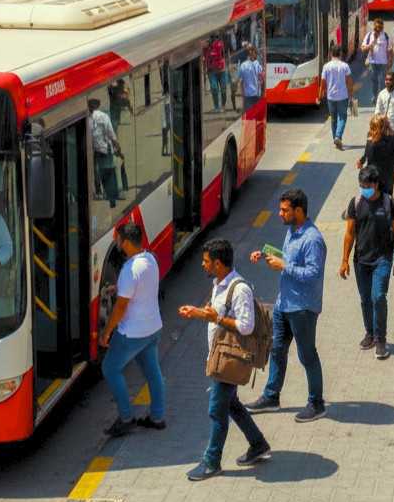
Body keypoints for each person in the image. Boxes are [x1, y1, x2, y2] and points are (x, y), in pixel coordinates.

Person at [179, 239, 271, 481]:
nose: (203, 264)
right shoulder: (218, 283)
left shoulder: (240, 289)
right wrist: (198, 313)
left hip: (230, 361)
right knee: (232, 405)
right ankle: (258, 444)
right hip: (219, 356)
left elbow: (246, 326)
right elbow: (215, 314)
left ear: (218, 263)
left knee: (216, 411)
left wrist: (217, 318)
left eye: (206, 261)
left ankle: (212, 461)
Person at [246, 188, 327, 422]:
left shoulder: (313, 239)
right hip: (284, 304)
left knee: (307, 355)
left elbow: (313, 273)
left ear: (298, 211)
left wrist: (284, 266)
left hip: (302, 307)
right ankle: (271, 396)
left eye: (284, 210)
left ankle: (316, 403)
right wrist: (265, 254)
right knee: (277, 350)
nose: (279, 213)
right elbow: (288, 258)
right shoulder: (292, 231)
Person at [99, 222, 167, 437]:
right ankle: (157, 417)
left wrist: (107, 331)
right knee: (153, 373)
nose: (117, 243)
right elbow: (140, 285)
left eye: (118, 240)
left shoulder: (129, 269)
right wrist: (117, 287)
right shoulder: (150, 259)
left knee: (110, 368)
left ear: (126, 242)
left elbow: (121, 306)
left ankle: (126, 417)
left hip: (132, 333)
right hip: (153, 327)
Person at [339, 165, 394, 359]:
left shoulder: (389, 204)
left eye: (366, 185)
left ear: (376, 184)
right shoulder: (356, 203)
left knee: (378, 297)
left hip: (383, 258)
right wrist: (344, 261)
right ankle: (370, 333)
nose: (363, 189)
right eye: (361, 185)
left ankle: (381, 339)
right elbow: (349, 234)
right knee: (365, 299)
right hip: (361, 260)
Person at [89, 98, 123, 207]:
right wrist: (118, 147)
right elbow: (111, 134)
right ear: (98, 105)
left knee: (96, 171)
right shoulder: (104, 116)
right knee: (108, 172)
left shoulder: (88, 118)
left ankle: (99, 191)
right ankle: (111, 197)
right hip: (105, 149)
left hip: (94, 149)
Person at [318, 43, 353, 150]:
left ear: (330, 54)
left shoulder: (326, 66)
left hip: (331, 97)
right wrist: (351, 95)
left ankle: (335, 139)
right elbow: (349, 82)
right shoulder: (345, 66)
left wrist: (319, 96)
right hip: (343, 96)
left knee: (333, 119)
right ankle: (338, 136)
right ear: (341, 54)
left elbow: (323, 83)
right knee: (342, 117)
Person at [357, 113, 394, 194]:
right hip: (388, 175)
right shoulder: (393, 138)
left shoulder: (371, 140)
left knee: (372, 199)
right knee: (387, 198)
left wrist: (361, 161)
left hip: (373, 176)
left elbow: (367, 155)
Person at [362, 18, 390, 104]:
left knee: (382, 81)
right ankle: (375, 96)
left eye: (380, 27)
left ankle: (382, 98)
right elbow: (363, 48)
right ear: (374, 27)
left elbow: (390, 49)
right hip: (372, 62)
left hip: (383, 62)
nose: (378, 28)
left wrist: (390, 61)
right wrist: (372, 43)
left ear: (382, 27)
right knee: (374, 81)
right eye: (376, 26)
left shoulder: (385, 35)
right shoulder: (369, 35)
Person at [237, 45, 265, 112]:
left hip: (251, 95)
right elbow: (261, 81)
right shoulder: (258, 65)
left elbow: (240, 81)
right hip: (254, 95)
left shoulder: (243, 65)